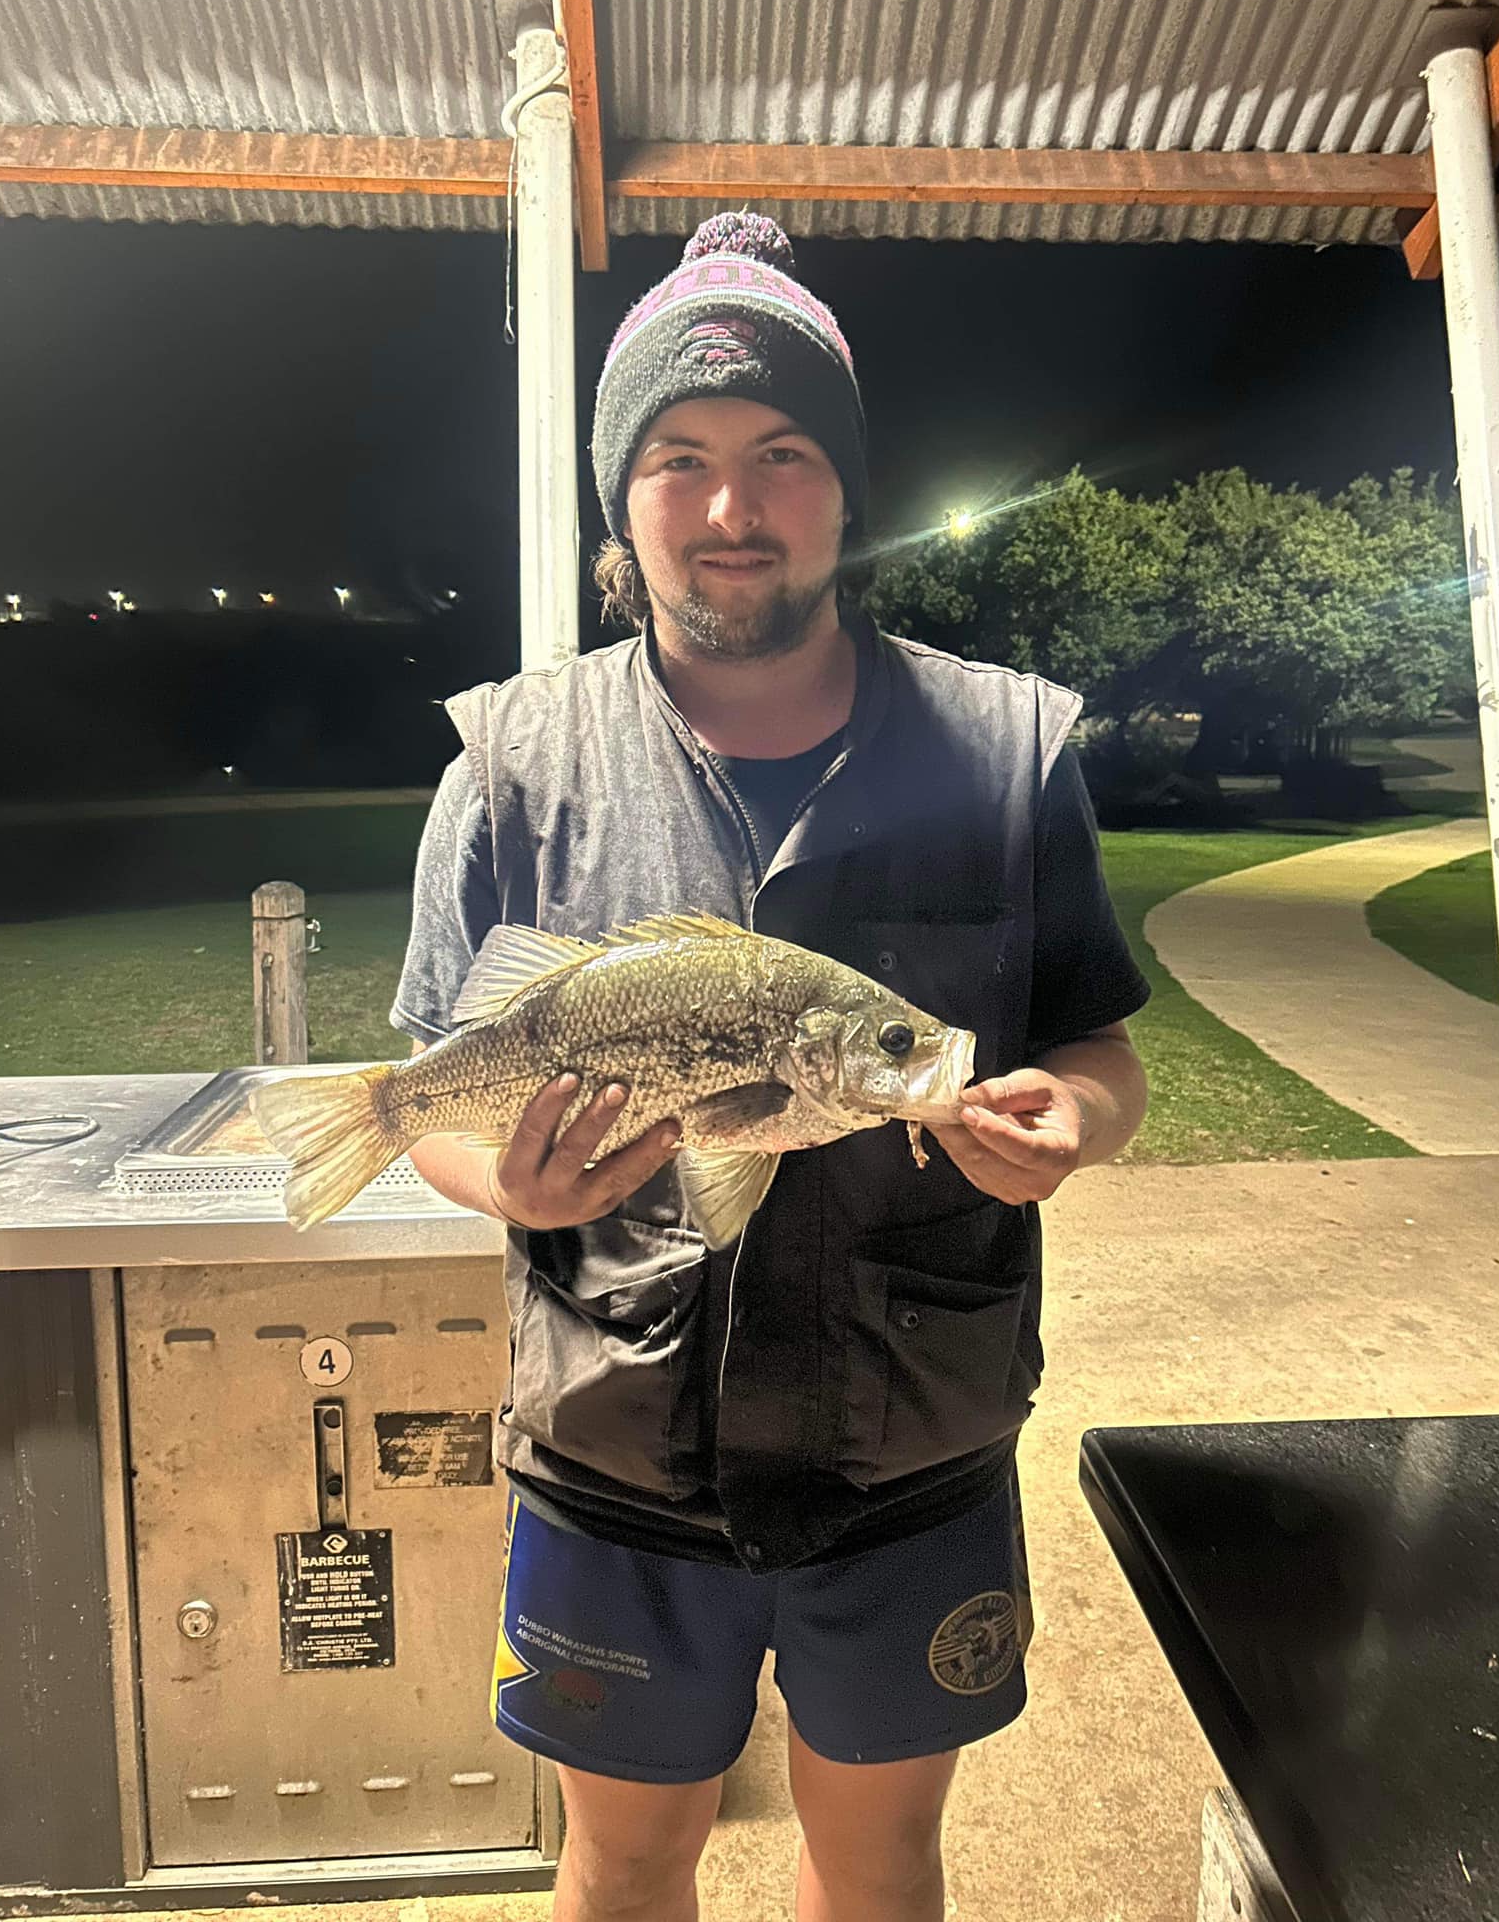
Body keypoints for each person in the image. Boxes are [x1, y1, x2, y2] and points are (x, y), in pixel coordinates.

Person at [392, 212, 1150, 1922]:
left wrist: (1077, 1121)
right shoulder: (511, 766)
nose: (732, 508)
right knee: (628, 1855)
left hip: (911, 1464)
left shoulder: (1008, 754)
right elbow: (438, 1088)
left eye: (780, 453)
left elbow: (1099, 1043)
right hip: (613, 1463)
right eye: (679, 458)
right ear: (624, 498)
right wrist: (498, 1178)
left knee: (877, 1861)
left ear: (843, 485)